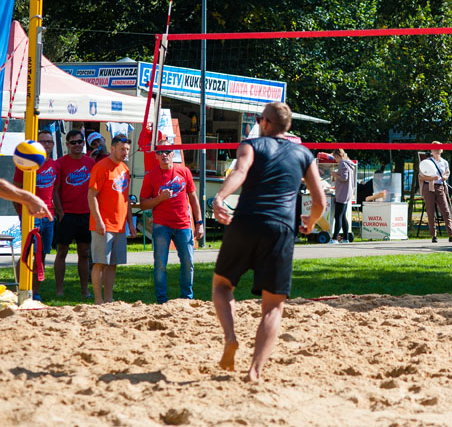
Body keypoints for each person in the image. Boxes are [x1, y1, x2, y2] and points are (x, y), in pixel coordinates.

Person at [211, 102, 326, 382]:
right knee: (273, 306)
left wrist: (220, 198)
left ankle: (230, 337)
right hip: (281, 228)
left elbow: (240, 172)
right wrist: (311, 222)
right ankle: (255, 371)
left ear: (264, 123)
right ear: (288, 127)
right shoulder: (303, 154)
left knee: (222, 286)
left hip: (246, 221)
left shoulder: (251, 145)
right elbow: (320, 201)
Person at [139, 147, 202, 304]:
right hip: (161, 226)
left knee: (188, 263)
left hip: (183, 225)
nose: (164, 155)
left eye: (167, 151)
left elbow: (193, 197)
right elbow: (143, 204)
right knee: (160, 264)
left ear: (174, 154)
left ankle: (187, 298)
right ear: (156, 156)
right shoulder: (151, 176)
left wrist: (199, 222)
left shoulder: (184, 171)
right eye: (160, 152)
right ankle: (162, 300)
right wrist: (160, 198)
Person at [87, 134, 136, 305]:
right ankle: (98, 300)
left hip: (120, 225)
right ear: (112, 148)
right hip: (103, 224)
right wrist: (98, 220)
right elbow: (91, 195)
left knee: (113, 264)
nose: (125, 152)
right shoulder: (101, 167)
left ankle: (108, 299)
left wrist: (130, 223)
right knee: (100, 262)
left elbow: (125, 198)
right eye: (122, 149)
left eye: (127, 149)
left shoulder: (125, 169)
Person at [13, 130, 58, 297]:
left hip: (48, 215)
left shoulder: (55, 165)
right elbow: (16, 190)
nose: (46, 145)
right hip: (30, 215)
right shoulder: (26, 163)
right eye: (43, 141)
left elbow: (55, 190)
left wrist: (57, 211)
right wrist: (22, 213)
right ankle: (21, 289)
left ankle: (36, 292)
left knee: (42, 254)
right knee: (28, 253)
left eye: (49, 142)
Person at [53, 129, 96, 299]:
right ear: (67, 144)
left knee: (84, 252)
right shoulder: (60, 163)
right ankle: (59, 290)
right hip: (67, 214)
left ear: (84, 143)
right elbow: (55, 190)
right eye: (73, 142)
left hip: (85, 213)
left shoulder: (90, 163)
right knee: (62, 251)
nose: (77, 145)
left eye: (79, 141)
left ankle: (85, 290)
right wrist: (60, 211)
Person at [418, 141, 452, 244]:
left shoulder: (444, 162)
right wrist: (431, 178)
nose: (437, 150)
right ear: (431, 150)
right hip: (429, 187)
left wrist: (445, 177)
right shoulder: (426, 162)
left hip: (440, 187)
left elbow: (447, 173)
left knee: (446, 211)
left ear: (441, 150)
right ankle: (433, 235)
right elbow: (421, 176)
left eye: (438, 148)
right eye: (434, 148)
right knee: (430, 211)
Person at [330, 148, 354, 243]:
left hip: (342, 193)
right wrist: (336, 174)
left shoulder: (343, 163)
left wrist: (334, 175)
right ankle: (345, 238)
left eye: (335, 157)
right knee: (343, 216)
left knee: (338, 216)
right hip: (347, 193)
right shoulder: (349, 163)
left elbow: (344, 178)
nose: (335, 160)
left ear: (338, 156)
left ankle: (335, 238)